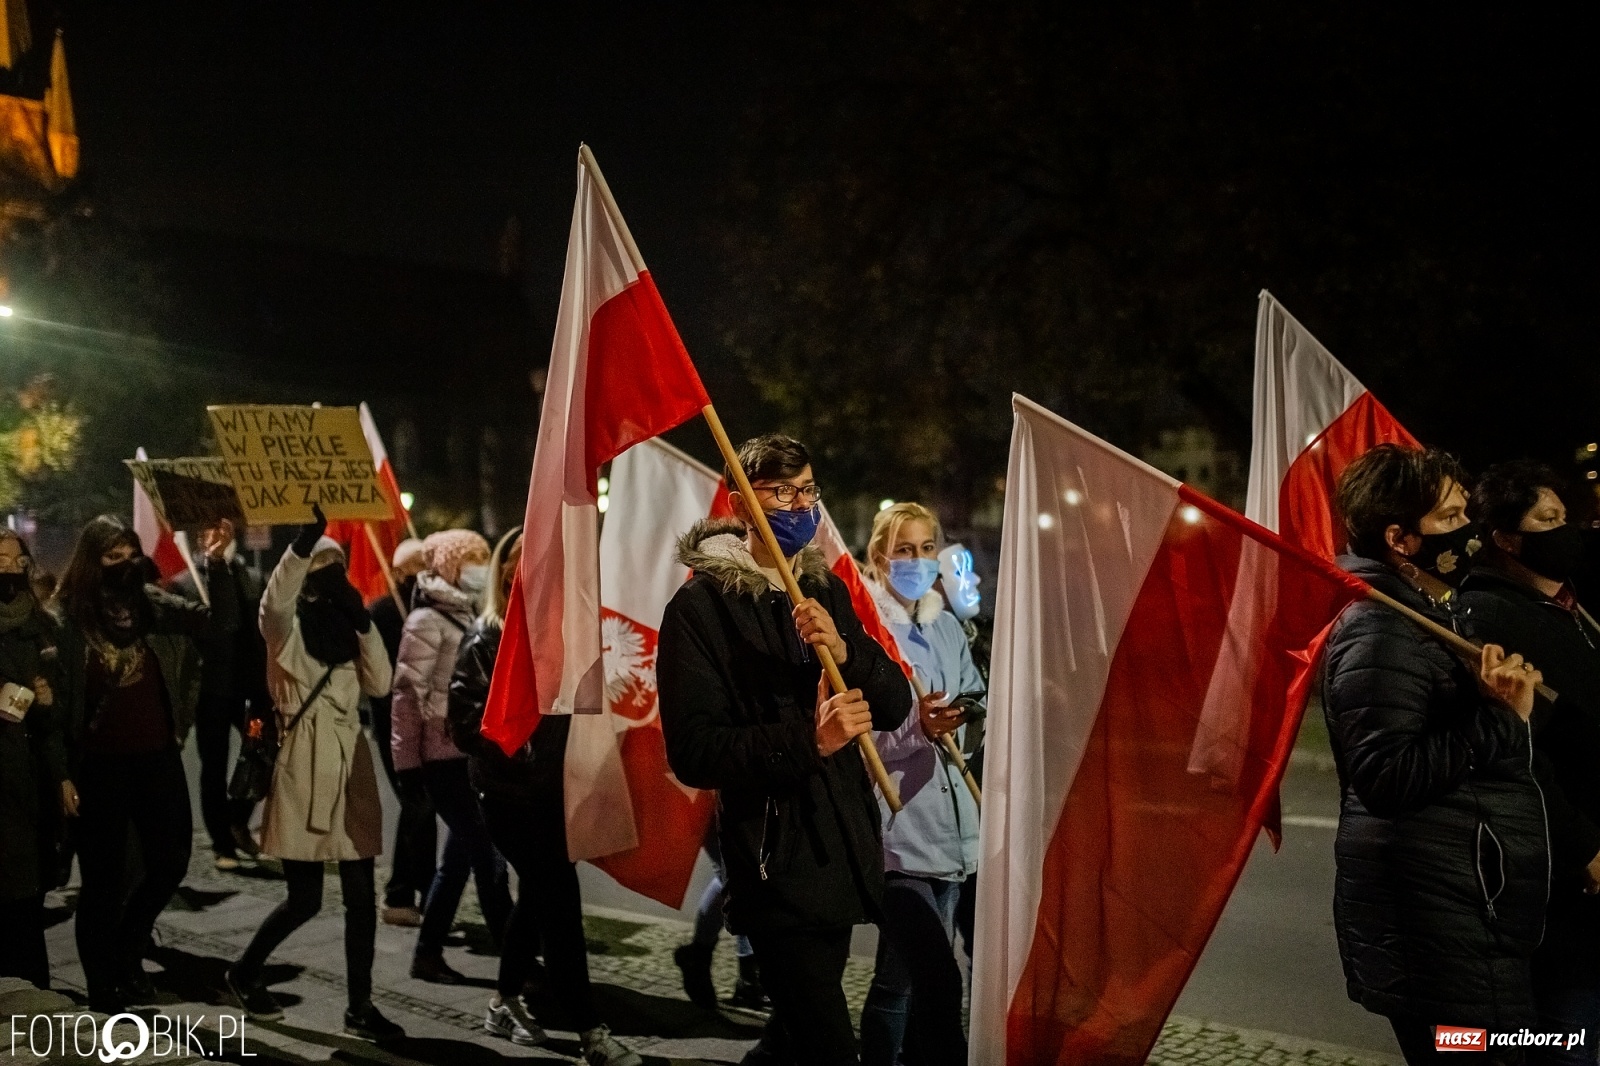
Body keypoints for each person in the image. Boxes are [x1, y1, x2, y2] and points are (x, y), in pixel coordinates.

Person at [658, 434, 913, 1065]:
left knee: (793, 1036)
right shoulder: (700, 608)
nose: (799, 505)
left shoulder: (825, 591)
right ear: (744, 504)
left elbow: (894, 704)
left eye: (807, 490)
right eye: (780, 492)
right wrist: (811, 739)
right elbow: (694, 750)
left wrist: (850, 652)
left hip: (841, 846)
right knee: (829, 1044)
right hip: (774, 859)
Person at [1324, 444, 1549, 1064]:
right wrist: (1502, 720)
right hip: (1439, 930)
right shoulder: (1381, 628)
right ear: (1401, 538)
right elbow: (1385, 775)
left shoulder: (1425, 614)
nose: (1469, 533)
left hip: (1466, 920)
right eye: (1450, 520)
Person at [447, 527, 644, 1066]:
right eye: (516, 559)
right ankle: (589, 1032)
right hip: (509, 794)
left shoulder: (560, 634)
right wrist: (523, 753)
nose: (527, 568)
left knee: (538, 895)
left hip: (554, 790)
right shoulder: (485, 639)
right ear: (503, 572)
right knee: (559, 900)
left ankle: (504, 1001)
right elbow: (462, 723)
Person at [224, 505, 403, 1042]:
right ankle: (244, 969)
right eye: (319, 576)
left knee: (360, 899)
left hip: (351, 769)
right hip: (303, 765)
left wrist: (364, 619)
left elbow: (381, 683)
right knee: (304, 898)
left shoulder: (349, 634)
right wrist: (304, 543)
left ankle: (360, 1005)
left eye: (336, 574)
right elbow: (273, 602)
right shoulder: (285, 635)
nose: (329, 585)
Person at [53, 515, 237, 1012]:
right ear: (93, 563)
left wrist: (215, 565)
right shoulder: (68, 620)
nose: (127, 565)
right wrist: (62, 772)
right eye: (114, 557)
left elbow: (218, 626)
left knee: (170, 860)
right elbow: (53, 706)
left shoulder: (152, 606)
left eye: (132, 554)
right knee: (103, 880)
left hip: (157, 757)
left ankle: (128, 948)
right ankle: (102, 984)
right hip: (99, 765)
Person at [1461, 462, 1600, 1064]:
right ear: (1506, 538)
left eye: (1565, 518)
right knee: (1572, 1033)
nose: (1564, 531)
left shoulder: (1571, 607)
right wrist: (1585, 850)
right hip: (1566, 882)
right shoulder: (1491, 619)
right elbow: (1526, 756)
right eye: (1546, 520)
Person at [857, 503, 981, 1066]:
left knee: (918, 977)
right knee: (913, 979)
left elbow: (974, 697)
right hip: (899, 835)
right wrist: (918, 728)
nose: (916, 560)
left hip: (955, 834)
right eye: (903, 549)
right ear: (879, 557)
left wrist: (970, 716)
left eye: (927, 548)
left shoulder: (947, 624)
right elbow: (860, 737)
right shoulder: (866, 631)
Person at [391, 528, 513, 983]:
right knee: (488, 853)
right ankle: (512, 947)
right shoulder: (426, 620)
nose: (481, 567)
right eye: (471, 559)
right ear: (448, 566)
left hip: (468, 754)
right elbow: (405, 699)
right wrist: (408, 770)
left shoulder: (471, 616)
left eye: (485, 556)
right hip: (441, 758)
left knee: (460, 859)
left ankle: (427, 953)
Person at [172, 520, 272, 871]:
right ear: (200, 538)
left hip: (252, 692)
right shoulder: (185, 584)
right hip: (211, 692)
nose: (217, 539)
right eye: (210, 532)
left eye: (224, 533)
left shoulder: (254, 579)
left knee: (261, 751)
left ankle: (237, 819)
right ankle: (222, 841)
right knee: (213, 766)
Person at [0, 529, 68, 988]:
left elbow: (62, 716)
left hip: (29, 785)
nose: (6, 567)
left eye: (13, 558)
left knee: (26, 902)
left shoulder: (46, 628)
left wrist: (48, 701)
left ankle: (34, 1001)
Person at [367, 538, 435, 927]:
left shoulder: (423, 608)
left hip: (424, 722)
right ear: (398, 573)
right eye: (415, 570)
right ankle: (398, 893)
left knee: (424, 806)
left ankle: (423, 892)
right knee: (416, 803)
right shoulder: (380, 612)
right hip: (393, 719)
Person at [674, 824, 768, 1011]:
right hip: (720, 803)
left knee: (739, 876)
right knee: (742, 875)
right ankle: (749, 979)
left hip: (746, 804)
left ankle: (699, 955)